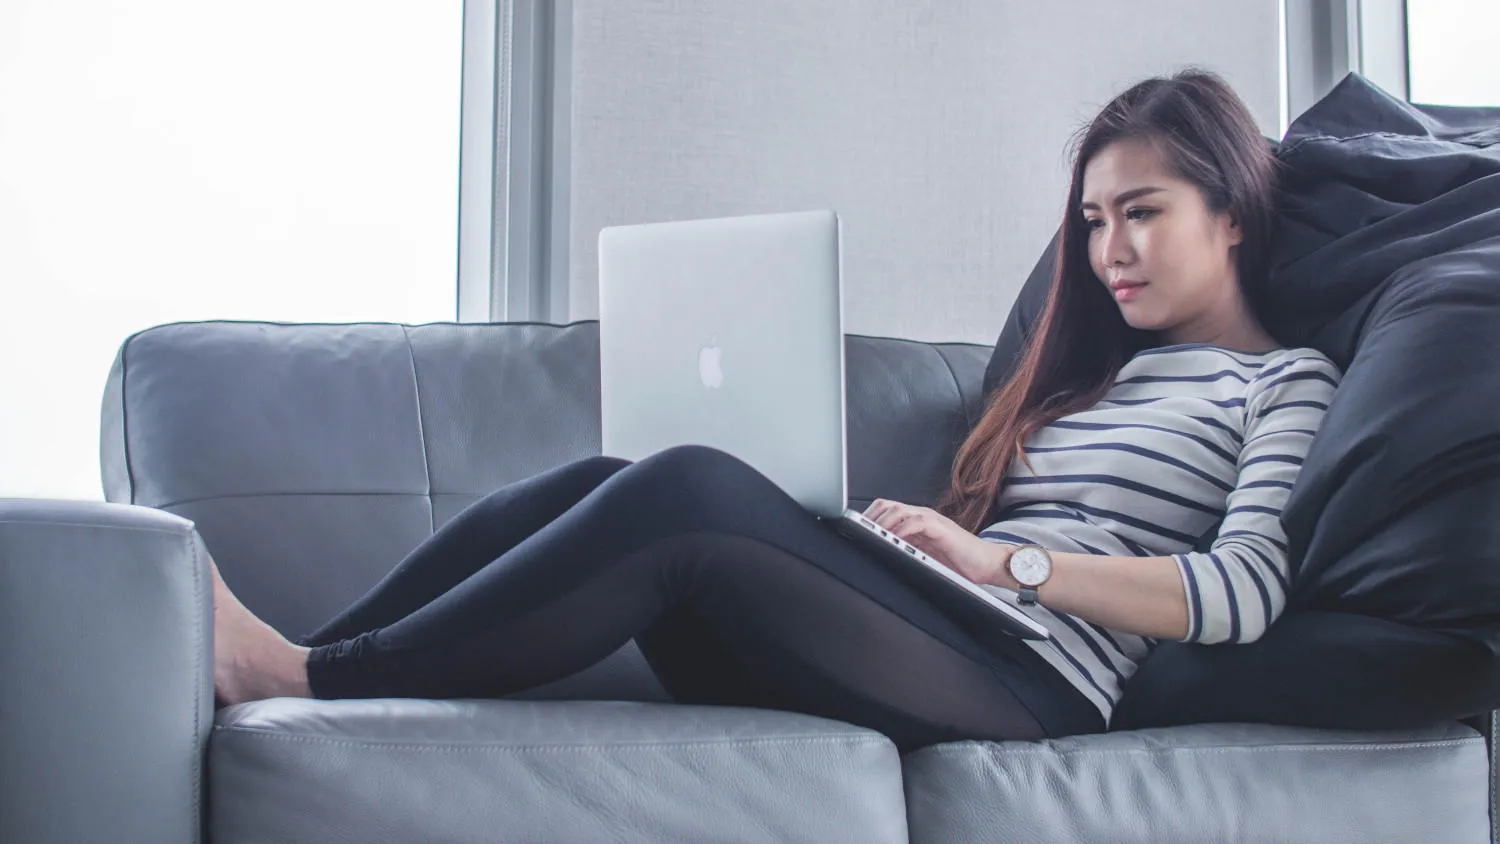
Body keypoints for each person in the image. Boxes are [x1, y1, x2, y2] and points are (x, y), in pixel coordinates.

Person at [211, 68, 1341, 753]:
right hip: (941, 630)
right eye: (1091, 222)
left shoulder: (1284, 381)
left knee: (689, 488)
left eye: (1138, 212)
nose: (1107, 252)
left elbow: (1242, 593)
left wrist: (1008, 567)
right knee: (615, 479)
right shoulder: (1092, 376)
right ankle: (307, 660)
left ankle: (306, 678)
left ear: (1232, 212)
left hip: (1039, 683)